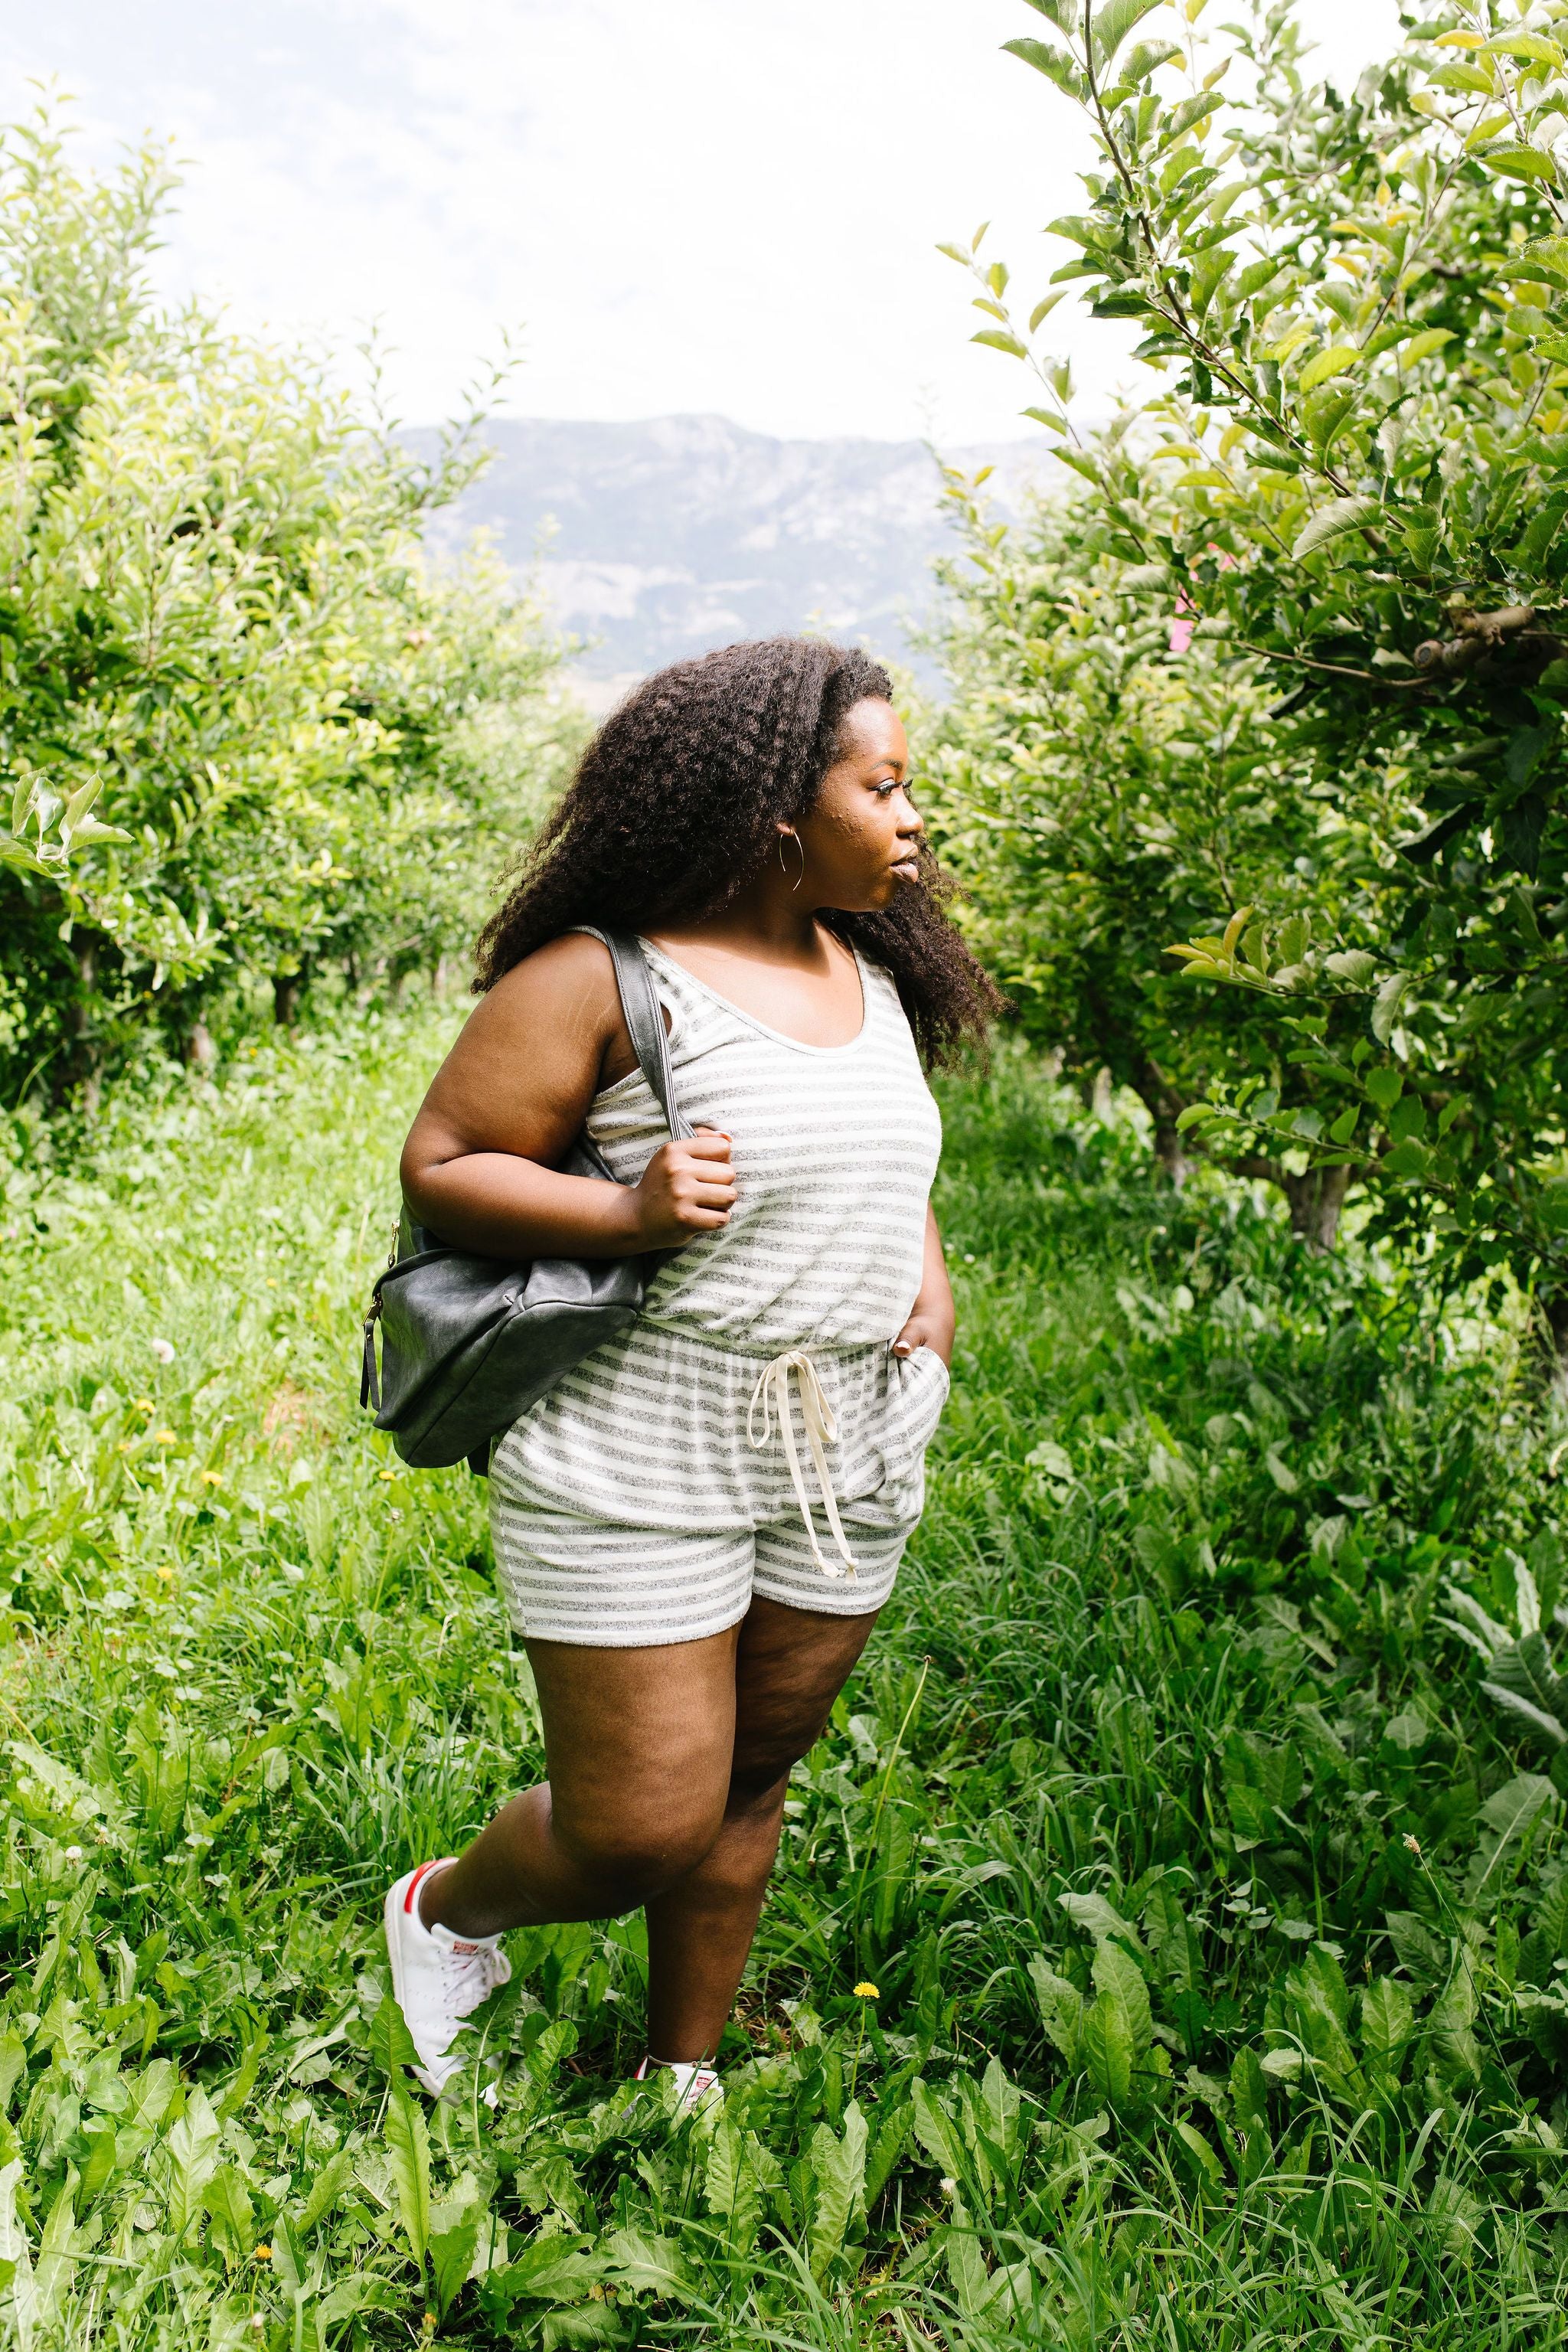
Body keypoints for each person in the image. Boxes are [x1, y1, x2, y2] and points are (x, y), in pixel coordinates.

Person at [383, 637, 1001, 2109]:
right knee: (642, 1821)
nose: (914, 819)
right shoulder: (601, 976)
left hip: (847, 1440)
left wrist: (926, 1274)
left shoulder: (874, 969)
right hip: (638, 1436)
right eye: (884, 785)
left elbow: (871, 1154)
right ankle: (445, 1914)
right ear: (773, 808)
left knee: (747, 1784)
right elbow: (443, 1163)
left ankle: (685, 2074)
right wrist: (624, 1209)